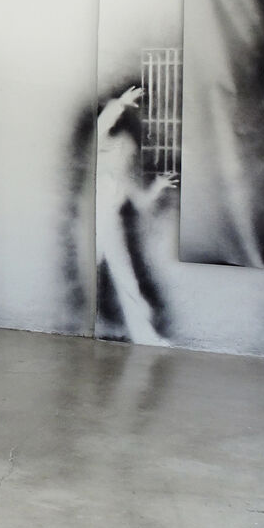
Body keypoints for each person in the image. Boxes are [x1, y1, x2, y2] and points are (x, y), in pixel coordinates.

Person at [95, 84, 174, 345]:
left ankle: (144, 334)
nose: (127, 155)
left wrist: (159, 186)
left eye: (130, 152)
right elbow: (99, 131)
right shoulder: (99, 159)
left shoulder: (124, 179)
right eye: (122, 149)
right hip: (91, 228)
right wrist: (120, 104)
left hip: (109, 229)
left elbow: (141, 202)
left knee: (127, 281)